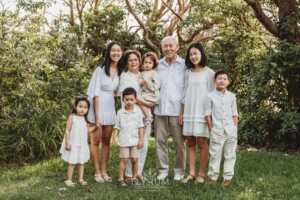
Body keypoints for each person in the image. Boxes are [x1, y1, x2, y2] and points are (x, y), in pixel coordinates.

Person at [86, 41, 124, 183]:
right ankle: (96, 172)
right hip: (97, 107)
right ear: (108, 53)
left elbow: (120, 90)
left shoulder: (121, 70)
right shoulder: (100, 70)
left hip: (110, 108)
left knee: (106, 141)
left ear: (121, 53)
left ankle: (104, 171)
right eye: (113, 50)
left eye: (118, 51)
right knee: (95, 140)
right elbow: (95, 94)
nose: (116, 53)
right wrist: (96, 117)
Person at [180, 43, 215, 184]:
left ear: (201, 54)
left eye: (196, 53)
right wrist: (181, 113)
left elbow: (213, 96)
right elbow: (184, 93)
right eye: (191, 54)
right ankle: (191, 173)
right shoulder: (187, 72)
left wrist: (211, 116)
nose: (193, 56)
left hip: (202, 112)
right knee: (190, 142)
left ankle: (201, 174)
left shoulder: (209, 73)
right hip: (189, 110)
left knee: (202, 142)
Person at [154, 36, 186, 181]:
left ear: (177, 47)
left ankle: (179, 171)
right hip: (159, 109)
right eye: (165, 46)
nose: (168, 48)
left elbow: (186, 90)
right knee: (160, 141)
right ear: (162, 49)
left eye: (170, 46)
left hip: (176, 111)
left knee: (179, 143)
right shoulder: (158, 65)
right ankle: (162, 170)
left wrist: (182, 111)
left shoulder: (185, 66)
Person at [118, 50, 153, 182]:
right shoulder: (125, 76)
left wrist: (150, 104)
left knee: (142, 143)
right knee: (130, 142)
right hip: (130, 115)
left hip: (145, 114)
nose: (133, 62)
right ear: (126, 63)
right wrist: (149, 104)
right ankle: (128, 174)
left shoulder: (143, 75)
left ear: (140, 60)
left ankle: (138, 172)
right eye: (130, 60)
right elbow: (131, 97)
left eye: (135, 59)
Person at [205, 69, 238, 186]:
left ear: (228, 82)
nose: (222, 81)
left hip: (230, 130)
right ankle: (212, 177)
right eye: (219, 78)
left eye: (224, 79)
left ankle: (227, 177)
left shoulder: (232, 96)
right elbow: (208, 114)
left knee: (230, 155)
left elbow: (235, 114)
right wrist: (211, 129)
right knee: (215, 155)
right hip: (217, 130)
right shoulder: (210, 97)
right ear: (215, 81)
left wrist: (235, 128)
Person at [60, 97, 96, 187]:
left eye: (85, 107)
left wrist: (96, 126)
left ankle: (81, 179)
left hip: (82, 144)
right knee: (73, 162)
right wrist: (67, 143)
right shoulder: (72, 117)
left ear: (87, 109)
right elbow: (67, 130)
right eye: (80, 106)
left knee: (81, 162)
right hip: (74, 143)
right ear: (75, 107)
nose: (82, 109)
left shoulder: (85, 120)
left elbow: (87, 131)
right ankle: (69, 180)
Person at [113, 87, 144, 187]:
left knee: (135, 159)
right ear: (123, 100)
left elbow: (141, 127)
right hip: (124, 140)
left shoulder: (138, 112)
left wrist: (141, 140)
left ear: (135, 100)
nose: (129, 102)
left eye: (131, 99)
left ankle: (134, 177)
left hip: (135, 140)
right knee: (125, 159)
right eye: (127, 100)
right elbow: (117, 127)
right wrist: (114, 138)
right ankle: (120, 179)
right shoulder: (120, 113)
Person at [138, 52, 160, 126]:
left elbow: (156, 86)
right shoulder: (142, 73)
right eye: (145, 62)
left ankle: (148, 117)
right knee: (139, 100)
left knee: (139, 100)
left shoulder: (154, 73)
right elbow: (139, 83)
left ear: (153, 64)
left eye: (150, 63)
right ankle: (147, 116)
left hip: (152, 94)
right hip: (145, 93)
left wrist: (148, 84)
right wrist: (141, 83)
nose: (147, 64)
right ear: (142, 64)